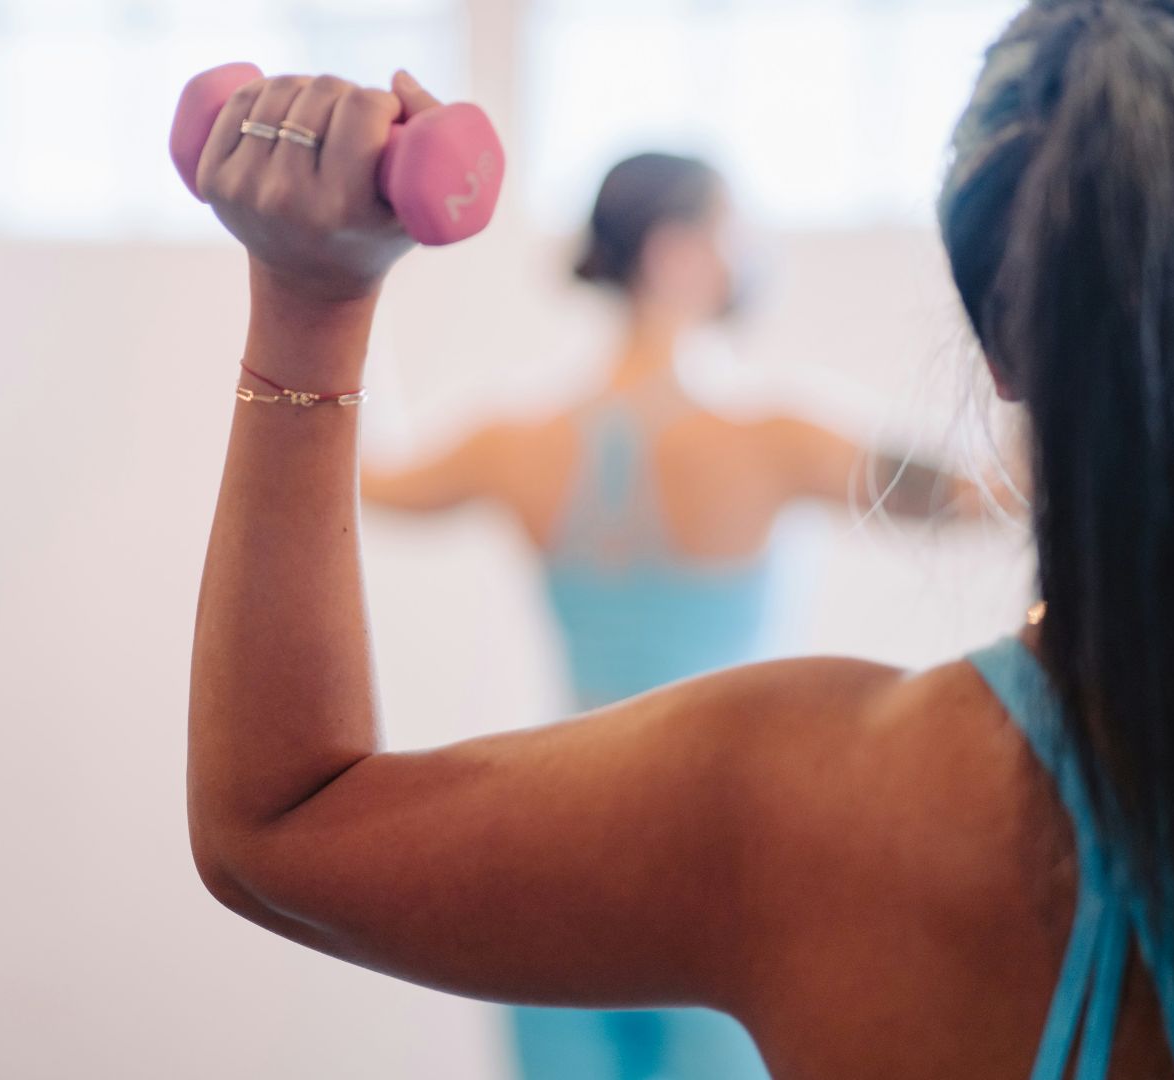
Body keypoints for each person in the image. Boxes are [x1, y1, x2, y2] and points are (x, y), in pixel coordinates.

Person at [182, 2, 1174, 1076]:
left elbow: (282, 820)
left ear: (1005, 339)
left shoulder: (768, 802)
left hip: (597, 857)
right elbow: (977, 490)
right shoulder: (781, 441)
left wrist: (317, 293)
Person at [361, 151, 979, 1080]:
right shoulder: (772, 439)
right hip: (722, 860)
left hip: (554, 844)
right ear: (679, 252)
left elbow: (371, 476)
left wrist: (348, 274)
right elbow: (987, 496)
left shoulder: (514, 442)